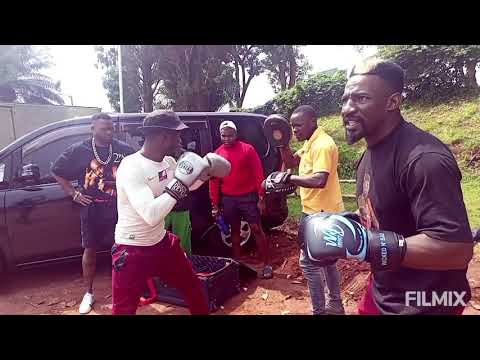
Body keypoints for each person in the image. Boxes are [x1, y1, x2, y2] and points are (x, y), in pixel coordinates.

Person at [298, 58, 474, 315]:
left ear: (393, 102)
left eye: (361, 99)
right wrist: (350, 225)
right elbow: (385, 214)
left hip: (428, 303)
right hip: (384, 290)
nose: (347, 109)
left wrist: (364, 245)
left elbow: (457, 250)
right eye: (345, 99)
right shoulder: (368, 154)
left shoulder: (424, 159)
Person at [112, 110, 230, 315]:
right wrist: (180, 183)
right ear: (162, 136)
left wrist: (205, 173)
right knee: (123, 310)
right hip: (132, 248)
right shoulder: (131, 166)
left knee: (194, 288)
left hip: (162, 243)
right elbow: (151, 215)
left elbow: (187, 187)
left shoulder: (169, 162)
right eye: (177, 134)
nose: (180, 139)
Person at [51, 113, 135, 314]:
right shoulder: (79, 150)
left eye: (111, 128)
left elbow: (138, 167)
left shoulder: (123, 149)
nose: (109, 132)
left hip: (118, 207)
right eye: (104, 128)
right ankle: (88, 293)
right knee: (90, 249)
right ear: (92, 128)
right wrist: (73, 192)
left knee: (123, 249)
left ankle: (124, 290)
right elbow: (56, 170)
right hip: (92, 208)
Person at [271, 105, 345, 315]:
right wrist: (281, 143)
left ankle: (319, 311)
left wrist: (288, 178)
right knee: (328, 263)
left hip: (322, 214)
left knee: (309, 264)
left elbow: (320, 179)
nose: (295, 130)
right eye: (292, 126)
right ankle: (336, 305)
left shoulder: (322, 145)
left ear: (312, 121)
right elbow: (292, 161)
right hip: (314, 211)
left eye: (298, 125)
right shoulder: (310, 143)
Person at [209, 121, 273, 279]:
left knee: (256, 229)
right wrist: (215, 205)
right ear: (220, 135)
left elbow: (258, 174)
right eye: (224, 135)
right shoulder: (217, 155)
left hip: (248, 197)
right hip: (229, 198)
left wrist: (261, 197)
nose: (227, 138)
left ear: (236, 134)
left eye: (230, 135)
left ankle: (266, 265)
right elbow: (214, 181)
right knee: (235, 231)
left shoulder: (247, 149)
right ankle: (237, 263)